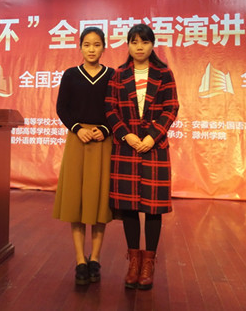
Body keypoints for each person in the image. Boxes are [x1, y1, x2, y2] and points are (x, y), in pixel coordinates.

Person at [105, 23, 179, 290]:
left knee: (153, 207)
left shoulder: (164, 74)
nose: (139, 47)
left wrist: (151, 137)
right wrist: (126, 135)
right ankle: (134, 261)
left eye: (145, 42)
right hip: (126, 147)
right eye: (134, 42)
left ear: (152, 45)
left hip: (154, 148)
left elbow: (171, 108)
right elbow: (110, 109)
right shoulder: (119, 74)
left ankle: (149, 263)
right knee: (129, 207)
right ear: (127, 44)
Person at [53, 27, 115, 285]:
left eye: (96, 44)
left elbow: (117, 110)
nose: (91, 49)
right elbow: (62, 108)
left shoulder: (113, 75)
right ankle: (80, 259)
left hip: (103, 142)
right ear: (80, 47)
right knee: (76, 202)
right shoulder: (70, 75)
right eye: (87, 44)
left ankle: (95, 258)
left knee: (99, 202)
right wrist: (78, 129)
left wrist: (105, 129)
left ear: (104, 48)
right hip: (78, 141)